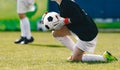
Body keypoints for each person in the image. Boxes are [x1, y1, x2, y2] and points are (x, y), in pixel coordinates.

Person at [50, 0, 117, 62]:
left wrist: (64, 21)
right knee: (56, 33)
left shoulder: (67, 3)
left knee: (76, 59)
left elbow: (79, 18)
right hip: (80, 29)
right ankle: (76, 52)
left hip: (87, 33)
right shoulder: (63, 3)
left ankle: (105, 58)